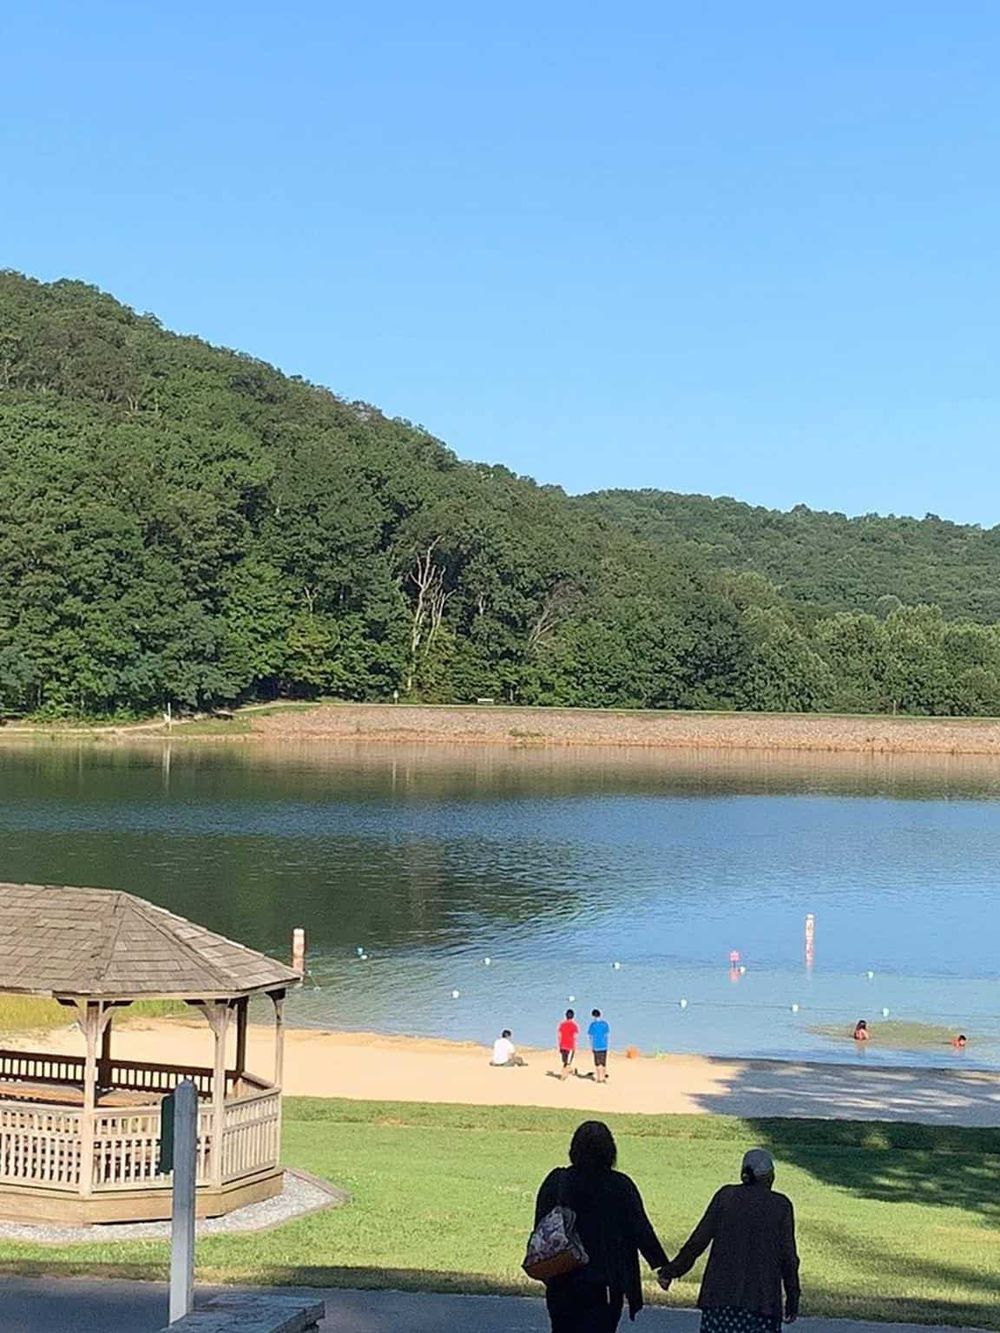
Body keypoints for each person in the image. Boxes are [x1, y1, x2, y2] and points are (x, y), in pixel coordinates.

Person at [534, 1120, 670, 1332]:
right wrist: (663, 1266)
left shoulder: (556, 1181)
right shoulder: (621, 1186)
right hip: (605, 1285)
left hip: (563, 1281)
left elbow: (540, 1229)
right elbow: (641, 1231)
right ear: (610, 1151)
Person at [659, 1147, 800, 1333]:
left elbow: (698, 1241)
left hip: (719, 1298)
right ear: (769, 1177)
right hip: (762, 1302)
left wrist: (671, 1270)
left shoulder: (726, 1197)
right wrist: (792, 1297)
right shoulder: (781, 1206)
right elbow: (788, 1258)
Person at [588, 1008, 610, 1083]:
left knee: (597, 1063)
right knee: (603, 1063)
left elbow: (590, 1036)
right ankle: (603, 1078)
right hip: (604, 1045)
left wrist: (591, 1046)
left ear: (593, 1016)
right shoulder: (604, 1024)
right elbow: (606, 1034)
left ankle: (598, 1078)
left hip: (596, 1046)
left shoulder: (592, 1025)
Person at [558, 1008, 579, 1080]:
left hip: (563, 1045)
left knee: (565, 1061)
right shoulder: (574, 1025)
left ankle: (567, 1072)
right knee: (568, 1062)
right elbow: (575, 1036)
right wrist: (575, 1046)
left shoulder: (562, 1024)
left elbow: (559, 1035)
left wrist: (559, 1045)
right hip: (570, 1046)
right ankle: (564, 1075)